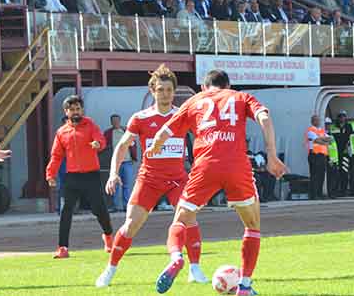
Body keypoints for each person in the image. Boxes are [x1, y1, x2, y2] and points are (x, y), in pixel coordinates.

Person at [147, 69, 287, 295]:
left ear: (204, 87)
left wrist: (155, 147)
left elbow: (166, 130)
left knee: (181, 219)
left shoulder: (195, 100)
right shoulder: (240, 97)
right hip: (236, 165)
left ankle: (176, 258)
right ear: (229, 85)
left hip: (205, 165)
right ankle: (245, 286)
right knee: (252, 225)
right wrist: (271, 155)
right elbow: (264, 117)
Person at [95, 64, 208, 287]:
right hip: (149, 179)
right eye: (160, 90)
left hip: (178, 179)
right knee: (131, 224)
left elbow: (202, 141)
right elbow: (122, 146)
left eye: (169, 90)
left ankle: (195, 269)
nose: (165, 94)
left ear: (174, 92)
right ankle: (110, 269)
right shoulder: (141, 118)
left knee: (190, 219)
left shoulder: (183, 116)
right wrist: (113, 174)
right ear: (153, 91)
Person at [46, 95, 113, 259]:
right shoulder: (61, 132)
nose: (76, 112)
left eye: (78, 109)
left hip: (91, 175)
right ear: (66, 112)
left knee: (99, 209)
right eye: (72, 109)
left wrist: (98, 144)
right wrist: (50, 174)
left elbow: (101, 139)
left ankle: (109, 236)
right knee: (65, 211)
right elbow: (56, 156)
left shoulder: (90, 124)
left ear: (82, 110)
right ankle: (62, 247)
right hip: (72, 178)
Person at [104, 114, 138, 212]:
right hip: (115, 164)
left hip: (127, 162)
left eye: (117, 120)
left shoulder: (125, 131)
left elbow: (133, 144)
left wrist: (133, 156)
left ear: (119, 121)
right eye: (113, 121)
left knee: (127, 185)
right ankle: (116, 206)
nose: (115, 122)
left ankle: (126, 206)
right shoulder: (108, 133)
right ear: (111, 122)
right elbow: (103, 146)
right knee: (115, 186)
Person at [306, 115, 331, 200]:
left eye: (319, 120)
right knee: (315, 176)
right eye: (316, 120)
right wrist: (323, 140)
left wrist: (322, 140)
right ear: (312, 121)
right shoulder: (310, 130)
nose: (318, 122)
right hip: (314, 155)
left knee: (321, 175)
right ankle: (314, 194)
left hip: (322, 155)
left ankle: (319, 193)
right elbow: (317, 140)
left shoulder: (321, 130)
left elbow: (329, 139)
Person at [330, 111, 351, 196]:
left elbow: (351, 139)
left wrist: (348, 148)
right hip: (335, 154)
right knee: (335, 172)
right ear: (338, 118)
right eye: (340, 117)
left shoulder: (349, 127)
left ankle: (344, 191)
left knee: (345, 172)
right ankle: (335, 190)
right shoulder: (333, 127)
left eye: (343, 117)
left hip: (345, 153)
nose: (342, 118)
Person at [325, 117, 340, 199]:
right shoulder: (323, 134)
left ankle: (334, 192)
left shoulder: (331, 134)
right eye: (326, 124)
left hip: (334, 159)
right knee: (330, 177)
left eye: (329, 124)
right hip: (329, 159)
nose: (328, 126)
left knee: (335, 177)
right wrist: (328, 159)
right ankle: (330, 193)